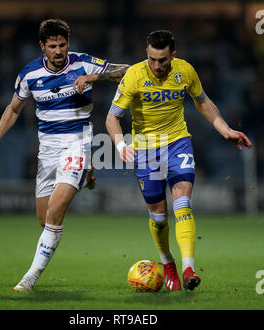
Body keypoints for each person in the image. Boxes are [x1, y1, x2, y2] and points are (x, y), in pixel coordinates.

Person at [0, 18, 129, 291]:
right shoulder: (29, 74)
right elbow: (14, 108)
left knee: (55, 213)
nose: (59, 50)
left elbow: (128, 72)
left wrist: (93, 76)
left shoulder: (83, 62)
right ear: (43, 46)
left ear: (68, 44)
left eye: (62, 44)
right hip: (48, 149)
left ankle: (29, 279)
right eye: (53, 46)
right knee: (45, 219)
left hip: (77, 143)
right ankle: (86, 176)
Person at [106, 30, 252, 291]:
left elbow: (203, 103)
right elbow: (112, 117)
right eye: (152, 59)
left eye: (162, 60)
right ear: (146, 55)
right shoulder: (134, 76)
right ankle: (168, 263)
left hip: (178, 142)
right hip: (147, 148)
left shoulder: (185, 71)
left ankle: (188, 269)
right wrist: (120, 145)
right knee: (159, 215)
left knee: (183, 202)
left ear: (173, 55)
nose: (157, 66)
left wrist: (225, 129)